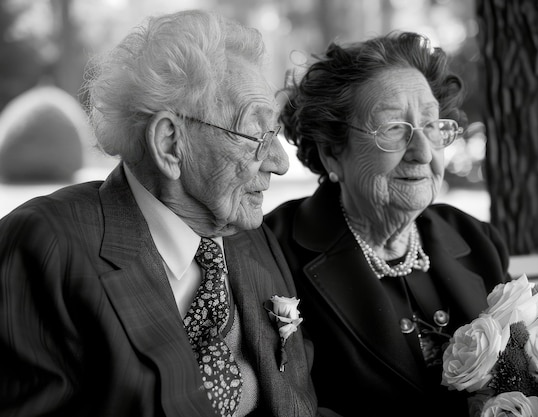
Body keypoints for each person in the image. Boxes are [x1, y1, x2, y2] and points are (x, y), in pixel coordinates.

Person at [0, 10, 330, 417]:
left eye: (273, 134)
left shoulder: (249, 237)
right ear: (170, 144)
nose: (279, 163)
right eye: (254, 136)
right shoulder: (46, 246)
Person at [265, 32, 510, 416]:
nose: (423, 152)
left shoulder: (474, 238)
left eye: (431, 125)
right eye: (394, 129)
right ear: (332, 151)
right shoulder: (272, 254)